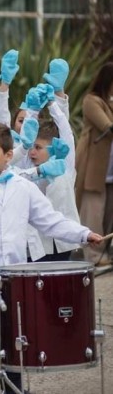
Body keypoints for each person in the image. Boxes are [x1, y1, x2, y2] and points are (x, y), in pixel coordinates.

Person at [0, 123, 104, 394]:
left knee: (12, 336)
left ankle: (13, 386)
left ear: (8, 155)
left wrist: (83, 233)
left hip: (14, 276)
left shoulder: (23, 187)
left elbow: (50, 220)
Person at [75, 62, 113, 265]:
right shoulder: (92, 101)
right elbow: (106, 125)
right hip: (95, 167)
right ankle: (94, 255)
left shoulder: (109, 101)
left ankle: (106, 251)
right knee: (93, 212)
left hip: (110, 169)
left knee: (108, 215)